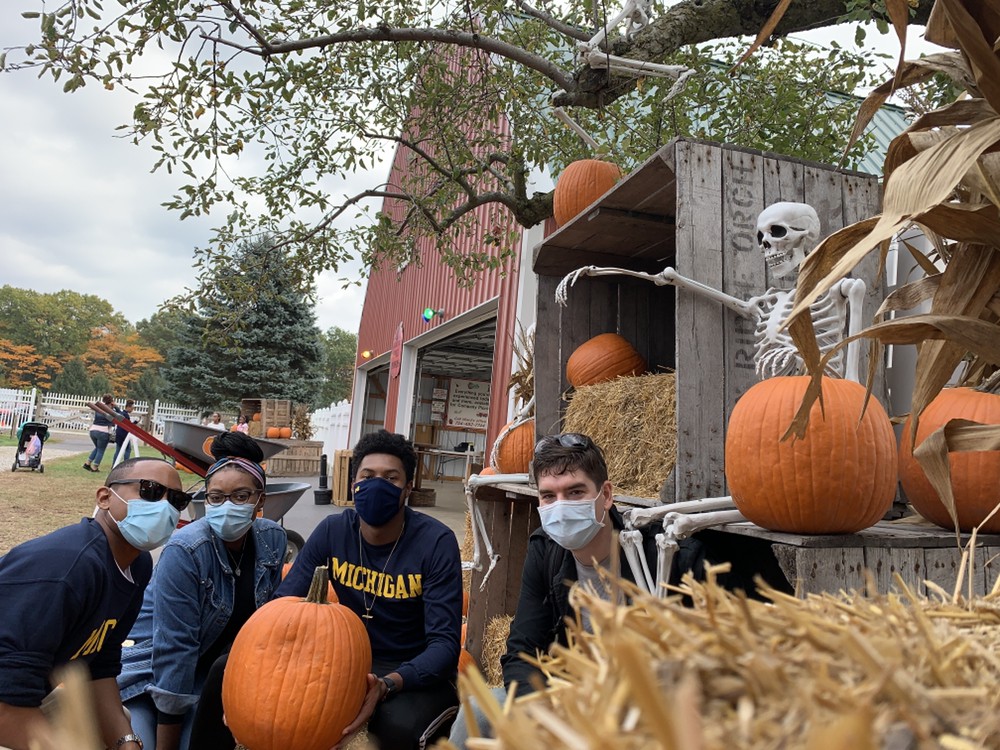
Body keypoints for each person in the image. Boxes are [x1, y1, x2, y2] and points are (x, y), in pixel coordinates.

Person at [449, 432, 708, 747]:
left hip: (644, 707)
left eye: (575, 492)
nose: (561, 507)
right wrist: (540, 712)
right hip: (566, 696)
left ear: (606, 495)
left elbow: (701, 665)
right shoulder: (545, 550)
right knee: (478, 708)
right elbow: (521, 650)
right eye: (549, 496)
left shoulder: (664, 557)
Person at [276, 429, 463, 750]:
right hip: (343, 660)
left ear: (408, 489)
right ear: (353, 485)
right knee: (227, 671)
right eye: (368, 476)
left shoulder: (436, 543)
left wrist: (388, 684)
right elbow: (283, 606)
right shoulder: (333, 531)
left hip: (412, 671)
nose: (377, 485)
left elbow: (445, 647)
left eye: (391, 478)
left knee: (398, 727)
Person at [0, 457, 187, 750]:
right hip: (7, 702)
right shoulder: (66, 570)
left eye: (177, 500)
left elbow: (99, 663)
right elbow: (5, 706)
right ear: (104, 498)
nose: (165, 506)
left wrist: (127, 742)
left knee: (116, 720)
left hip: (25, 696)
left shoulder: (136, 567)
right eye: (150, 491)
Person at [118, 432, 286, 750]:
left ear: (260, 500)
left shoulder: (273, 540)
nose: (226, 506)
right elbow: (173, 650)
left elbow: (272, 624)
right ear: (205, 498)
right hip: (152, 672)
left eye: (240, 497)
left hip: (216, 675)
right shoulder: (187, 550)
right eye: (216, 497)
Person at [83, 393, 117, 472]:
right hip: (103, 431)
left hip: (93, 430)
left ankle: (87, 463)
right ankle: (95, 467)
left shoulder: (98, 409)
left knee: (98, 448)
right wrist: (115, 407)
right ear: (112, 401)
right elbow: (113, 422)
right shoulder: (111, 411)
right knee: (101, 450)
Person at [112, 399, 137, 464]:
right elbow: (128, 425)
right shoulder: (126, 415)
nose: (132, 410)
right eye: (132, 408)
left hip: (119, 434)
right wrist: (135, 422)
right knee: (128, 450)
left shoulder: (121, 413)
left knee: (118, 450)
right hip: (124, 435)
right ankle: (126, 463)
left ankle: (114, 464)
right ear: (128, 407)